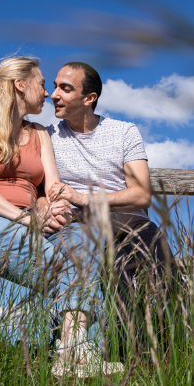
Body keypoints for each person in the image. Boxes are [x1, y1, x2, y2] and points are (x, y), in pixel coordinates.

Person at [0, 56, 123, 377]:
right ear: (21, 85)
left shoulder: (39, 134)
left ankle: (70, 354)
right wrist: (25, 220)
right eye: (43, 84)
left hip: (35, 225)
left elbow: (53, 184)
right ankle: (75, 351)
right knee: (70, 269)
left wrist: (55, 203)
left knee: (84, 238)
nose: (47, 94)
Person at [44, 62, 177, 361]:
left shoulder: (123, 131)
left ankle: (160, 350)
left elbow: (141, 193)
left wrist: (86, 198)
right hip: (78, 227)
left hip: (126, 220)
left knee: (147, 258)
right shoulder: (47, 136)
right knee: (109, 262)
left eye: (65, 88)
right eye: (54, 86)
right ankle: (122, 354)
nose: (53, 95)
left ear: (89, 98)